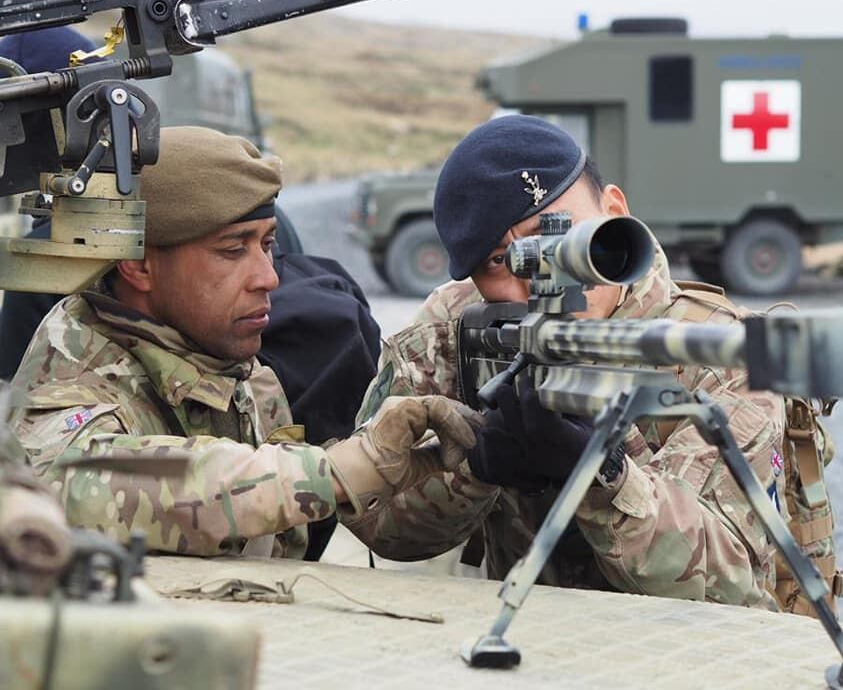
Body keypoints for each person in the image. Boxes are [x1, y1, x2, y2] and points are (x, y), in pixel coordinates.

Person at [349, 115, 793, 609]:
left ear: (614, 210)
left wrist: (606, 475)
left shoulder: (717, 351)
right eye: (499, 260)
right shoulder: (451, 330)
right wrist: (474, 467)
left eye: (556, 237)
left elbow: (728, 585)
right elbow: (376, 521)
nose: (540, 274)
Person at [10, 126, 479, 558]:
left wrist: (478, 463)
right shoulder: (73, 371)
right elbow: (86, 484)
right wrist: (341, 470)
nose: (269, 277)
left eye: (268, 244)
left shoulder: (221, 360)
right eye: (233, 250)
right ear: (139, 266)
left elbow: (390, 535)